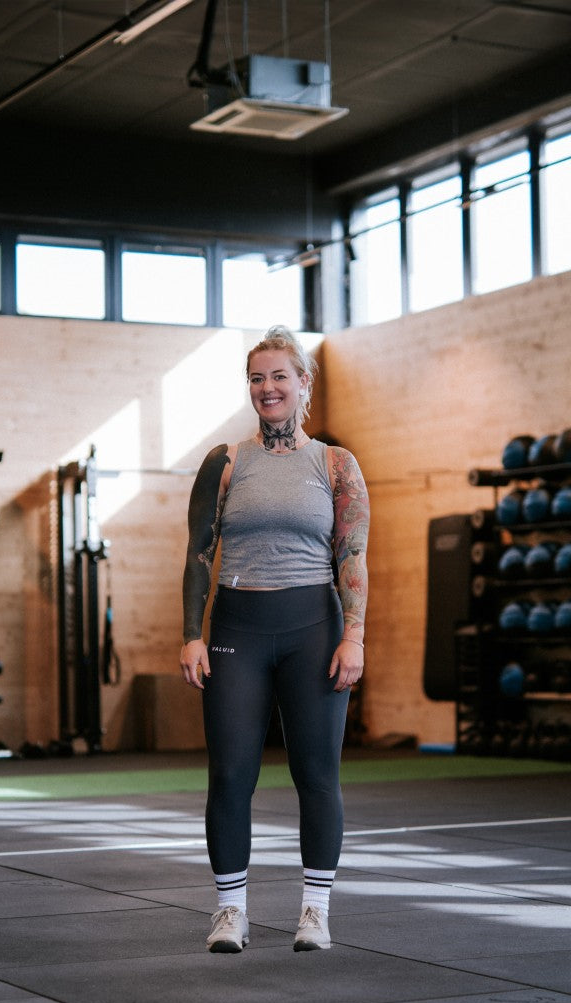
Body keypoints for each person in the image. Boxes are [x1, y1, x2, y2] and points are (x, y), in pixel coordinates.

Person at [179, 325, 369, 954]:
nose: (267, 388)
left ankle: (315, 911)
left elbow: (353, 556)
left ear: (303, 383)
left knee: (316, 773)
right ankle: (230, 911)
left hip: (314, 627)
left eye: (279, 376)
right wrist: (191, 634)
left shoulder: (335, 464)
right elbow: (199, 554)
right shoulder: (226, 463)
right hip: (238, 627)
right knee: (232, 773)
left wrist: (355, 636)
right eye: (257, 378)